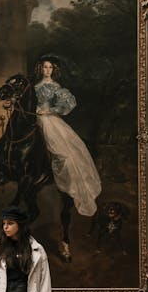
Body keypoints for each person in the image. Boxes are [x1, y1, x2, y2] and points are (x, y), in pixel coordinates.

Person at [33, 56, 101, 217]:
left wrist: (48, 111)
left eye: (50, 67)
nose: (47, 70)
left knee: (62, 151)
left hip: (48, 119)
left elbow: (69, 103)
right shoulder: (35, 86)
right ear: (40, 69)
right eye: (45, 67)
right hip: (33, 116)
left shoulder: (55, 86)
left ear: (53, 70)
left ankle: (60, 179)